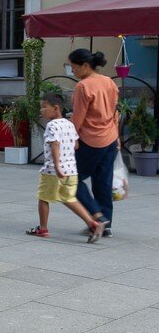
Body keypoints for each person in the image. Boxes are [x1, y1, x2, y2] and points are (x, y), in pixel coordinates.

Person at [28, 93, 108, 242]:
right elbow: (76, 145)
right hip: (72, 170)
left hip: (53, 170)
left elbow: (55, 144)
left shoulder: (52, 125)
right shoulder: (69, 124)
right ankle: (93, 223)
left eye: (44, 107)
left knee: (43, 198)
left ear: (56, 108)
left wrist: (57, 165)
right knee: (69, 198)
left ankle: (43, 228)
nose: (41, 110)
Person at [68, 48, 120, 238]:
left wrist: (70, 140)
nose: (72, 71)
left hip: (91, 140)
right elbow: (115, 112)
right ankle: (106, 225)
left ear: (85, 65)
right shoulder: (109, 82)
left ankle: (97, 218)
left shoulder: (83, 86)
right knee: (102, 183)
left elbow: (78, 118)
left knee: (72, 178)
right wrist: (118, 138)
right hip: (110, 139)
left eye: (73, 67)